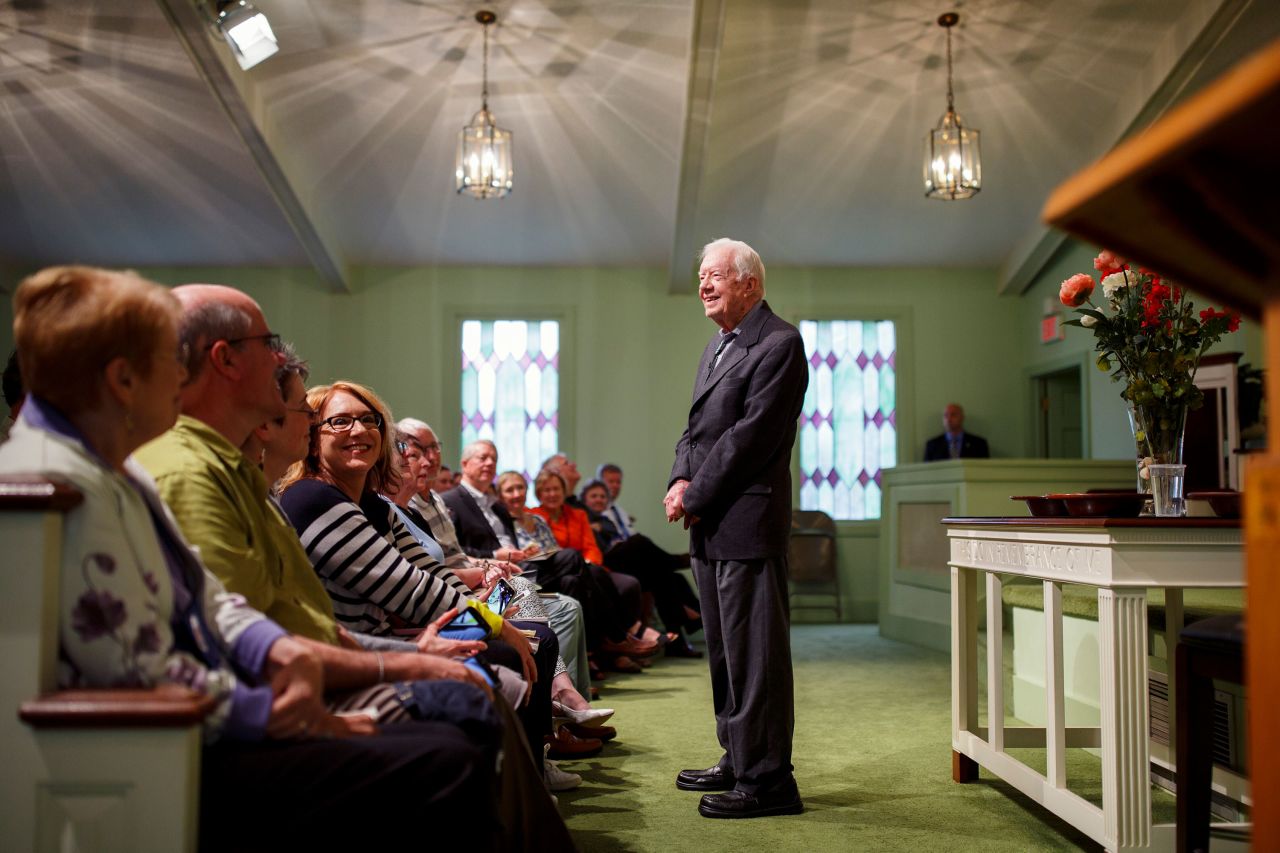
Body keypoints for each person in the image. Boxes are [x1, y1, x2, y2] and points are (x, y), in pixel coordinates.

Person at [0, 266, 498, 849]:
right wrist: (266, 711)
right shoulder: (50, 480)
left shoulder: (114, 466)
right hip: (148, 755)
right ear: (122, 378)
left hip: (189, 725)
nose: (181, 377)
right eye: (170, 359)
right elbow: (138, 669)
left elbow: (209, 599)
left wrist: (280, 650)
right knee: (443, 759)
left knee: (447, 741)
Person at [664, 237, 808, 819]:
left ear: (750, 282)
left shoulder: (779, 342)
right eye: (702, 275)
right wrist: (678, 478)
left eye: (715, 275)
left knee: (756, 658)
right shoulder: (716, 345)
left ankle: (770, 781)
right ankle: (738, 756)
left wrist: (694, 493)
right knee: (724, 654)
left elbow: (749, 439)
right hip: (709, 523)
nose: (703, 284)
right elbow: (696, 428)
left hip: (745, 520)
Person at [923, 403, 990, 461]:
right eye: (946, 415)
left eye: (953, 415)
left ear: (962, 417)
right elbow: (927, 472)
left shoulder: (979, 444)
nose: (948, 419)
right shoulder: (932, 445)